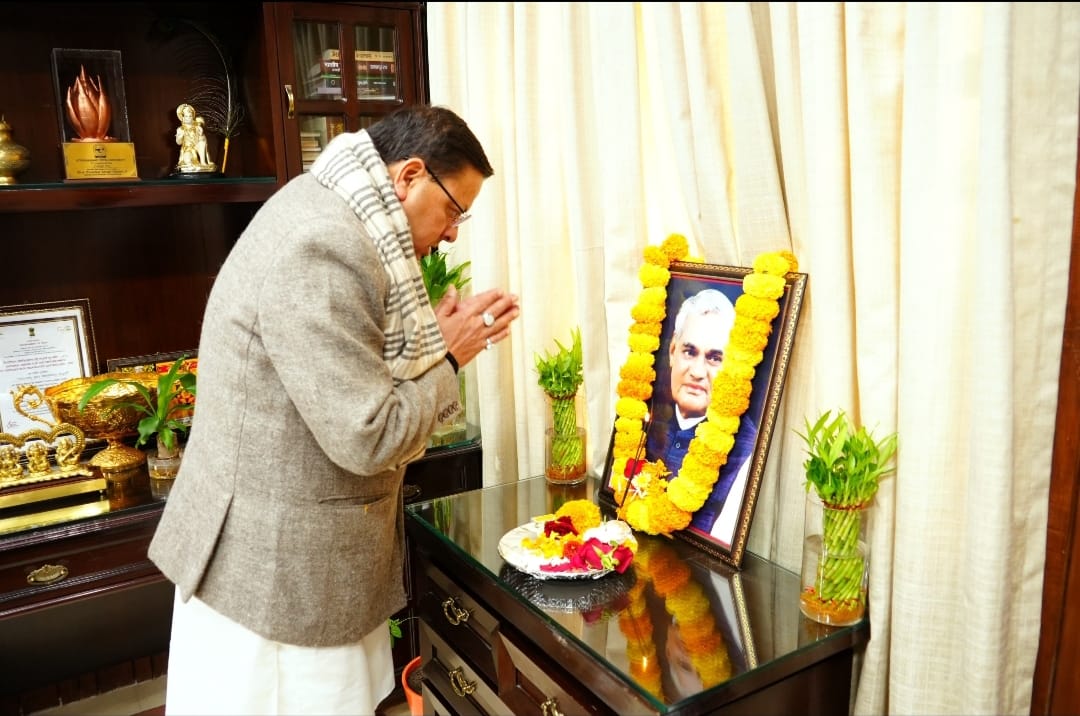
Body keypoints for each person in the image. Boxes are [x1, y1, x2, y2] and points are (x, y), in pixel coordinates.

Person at [148, 105, 520, 714]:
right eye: (454, 209)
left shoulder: (334, 205)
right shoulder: (325, 244)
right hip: (277, 580)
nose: (454, 232)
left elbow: (348, 367)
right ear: (409, 176)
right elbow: (368, 436)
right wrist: (449, 357)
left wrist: (433, 340)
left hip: (291, 557)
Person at [644, 288, 757, 540]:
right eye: (689, 352)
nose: (697, 372)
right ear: (672, 351)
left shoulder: (746, 449)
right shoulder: (643, 414)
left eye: (714, 358)